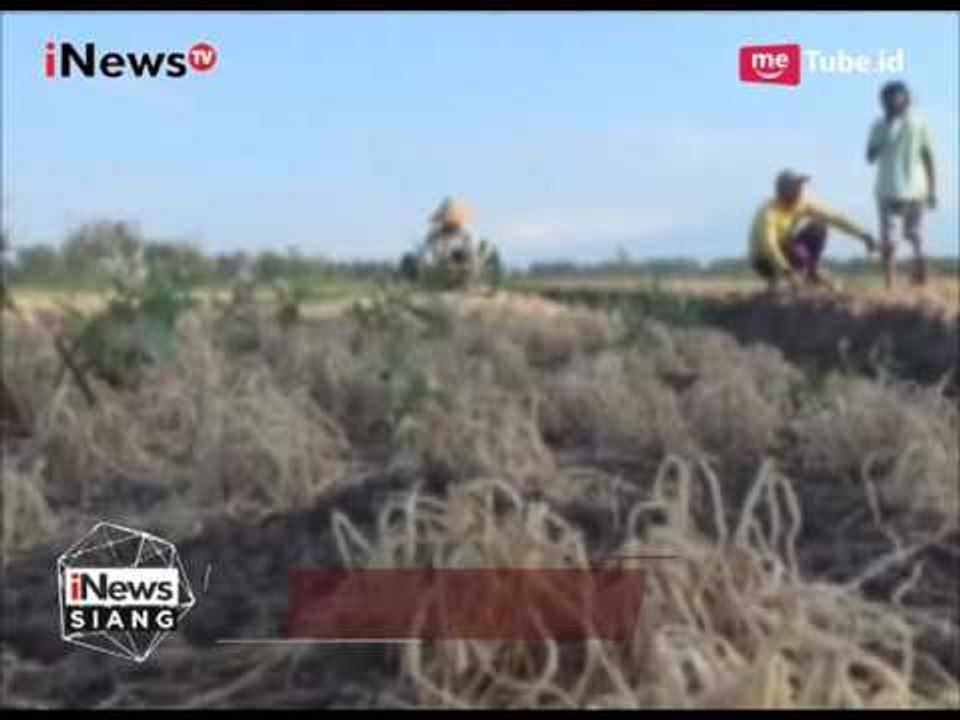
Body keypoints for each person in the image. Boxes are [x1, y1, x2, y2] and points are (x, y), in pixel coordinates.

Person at [748, 170, 875, 292]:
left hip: (785, 248)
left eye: (800, 186)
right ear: (782, 190)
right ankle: (778, 280)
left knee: (818, 227)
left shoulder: (801, 203)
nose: (800, 190)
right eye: (794, 187)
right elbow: (769, 246)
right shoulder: (769, 212)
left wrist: (863, 234)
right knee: (797, 255)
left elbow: (834, 217)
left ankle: (811, 273)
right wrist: (787, 271)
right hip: (764, 261)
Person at [866, 81, 937, 288]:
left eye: (890, 99)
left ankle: (896, 282)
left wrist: (887, 128)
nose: (887, 103)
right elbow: (929, 157)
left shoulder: (889, 124)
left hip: (897, 189)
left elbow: (870, 156)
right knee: (910, 235)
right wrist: (932, 189)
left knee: (895, 238)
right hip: (908, 188)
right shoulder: (914, 122)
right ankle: (909, 273)